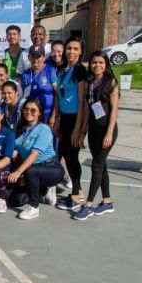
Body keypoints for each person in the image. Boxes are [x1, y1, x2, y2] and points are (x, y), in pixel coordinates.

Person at [72, 51, 119, 221]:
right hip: (93, 130)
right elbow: (86, 110)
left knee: (96, 166)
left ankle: (89, 205)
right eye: (94, 62)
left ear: (106, 64)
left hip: (107, 130)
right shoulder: (90, 83)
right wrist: (83, 132)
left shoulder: (111, 82)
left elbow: (114, 111)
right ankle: (107, 202)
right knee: (102, 165)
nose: (97, 65)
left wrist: (109, 133)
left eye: (100, 62)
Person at [7, 97, 64, 220]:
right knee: (15, 200)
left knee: (31, 171)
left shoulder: (44, 129)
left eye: (33, 110)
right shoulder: (21, 128)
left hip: (50, 168)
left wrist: (19, 172)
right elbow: (15, 152)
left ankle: (34, 207)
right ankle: (43, 192)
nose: (29, 112)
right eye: (26, 109)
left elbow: (34, 155)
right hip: (31, 169)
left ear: (39, 112)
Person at [54, 37, 88, 210]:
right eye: (69, 48)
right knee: (61, 154)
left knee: (72, 156)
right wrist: (57, 119)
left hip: (76, 118)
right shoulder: (61, 69)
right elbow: (58, 96)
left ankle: (78, 194)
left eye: (75, 49)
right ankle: (65, 190)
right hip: (64, 119)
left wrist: (78, 129)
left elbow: (82, 101)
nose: (72, 52)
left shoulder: (80, 71)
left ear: (81, 51)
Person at [20, 49, 57, 125]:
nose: (35, 59)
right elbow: (23, 97)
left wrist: (53, 116)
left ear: (44, 58)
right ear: (29, 57)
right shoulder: (25, 74)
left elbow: (57, 94)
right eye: (33, 56)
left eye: (38, 56)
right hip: (32, 119)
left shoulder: (50, 70)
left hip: (48, 118)